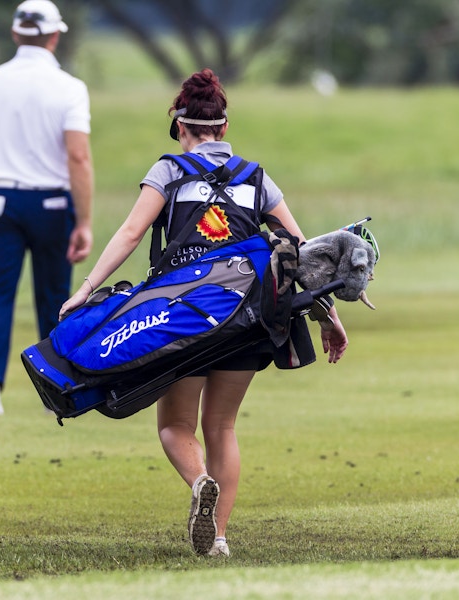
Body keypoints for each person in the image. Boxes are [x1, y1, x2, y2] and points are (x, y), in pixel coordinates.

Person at [59, 68, 348, 557]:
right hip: (248, 321)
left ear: (180, 127)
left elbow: (131, 235)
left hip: (185, 319)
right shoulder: (256, 177)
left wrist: (87, 288)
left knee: (175, 427)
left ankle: (199, 484)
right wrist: (329, 317)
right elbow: (299, 252)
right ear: (224, 129)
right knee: (223, 427)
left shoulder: (170, 171)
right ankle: (218, 540)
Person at [0, 0, 93, 415]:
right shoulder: (69, 88)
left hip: (0, 202)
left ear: (16, 33)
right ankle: (57, 388)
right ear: (55, 35)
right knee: (54, 296)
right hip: (52, 204)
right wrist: (85, 220)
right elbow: (78, 157)